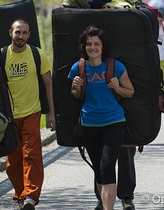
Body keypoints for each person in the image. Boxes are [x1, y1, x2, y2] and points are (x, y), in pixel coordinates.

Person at [69, 25, 135, 210]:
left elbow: (129, 92)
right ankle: (105, 204)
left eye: (97, 44)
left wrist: (116, 86)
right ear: (84, 46)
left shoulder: (116, 66)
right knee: (99, 169)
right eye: (89, 44)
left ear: (103, 46)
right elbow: (75, 95)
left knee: (107, 167)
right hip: (89, 123)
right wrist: (75, 86)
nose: (93, 47)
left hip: (114, 121)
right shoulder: (78, 67)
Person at [4, 19, 56, 210]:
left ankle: (31, 197)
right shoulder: (1, 55)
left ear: (29, 34)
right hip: (10, 117)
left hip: (32, 113)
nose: (21, 36)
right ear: (10, 32)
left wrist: (50, 112)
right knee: (13, 160)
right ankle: (20, 195)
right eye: (18, 32)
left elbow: (49, 84)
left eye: (24, 33)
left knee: (32, 155)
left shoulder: (36, 54)